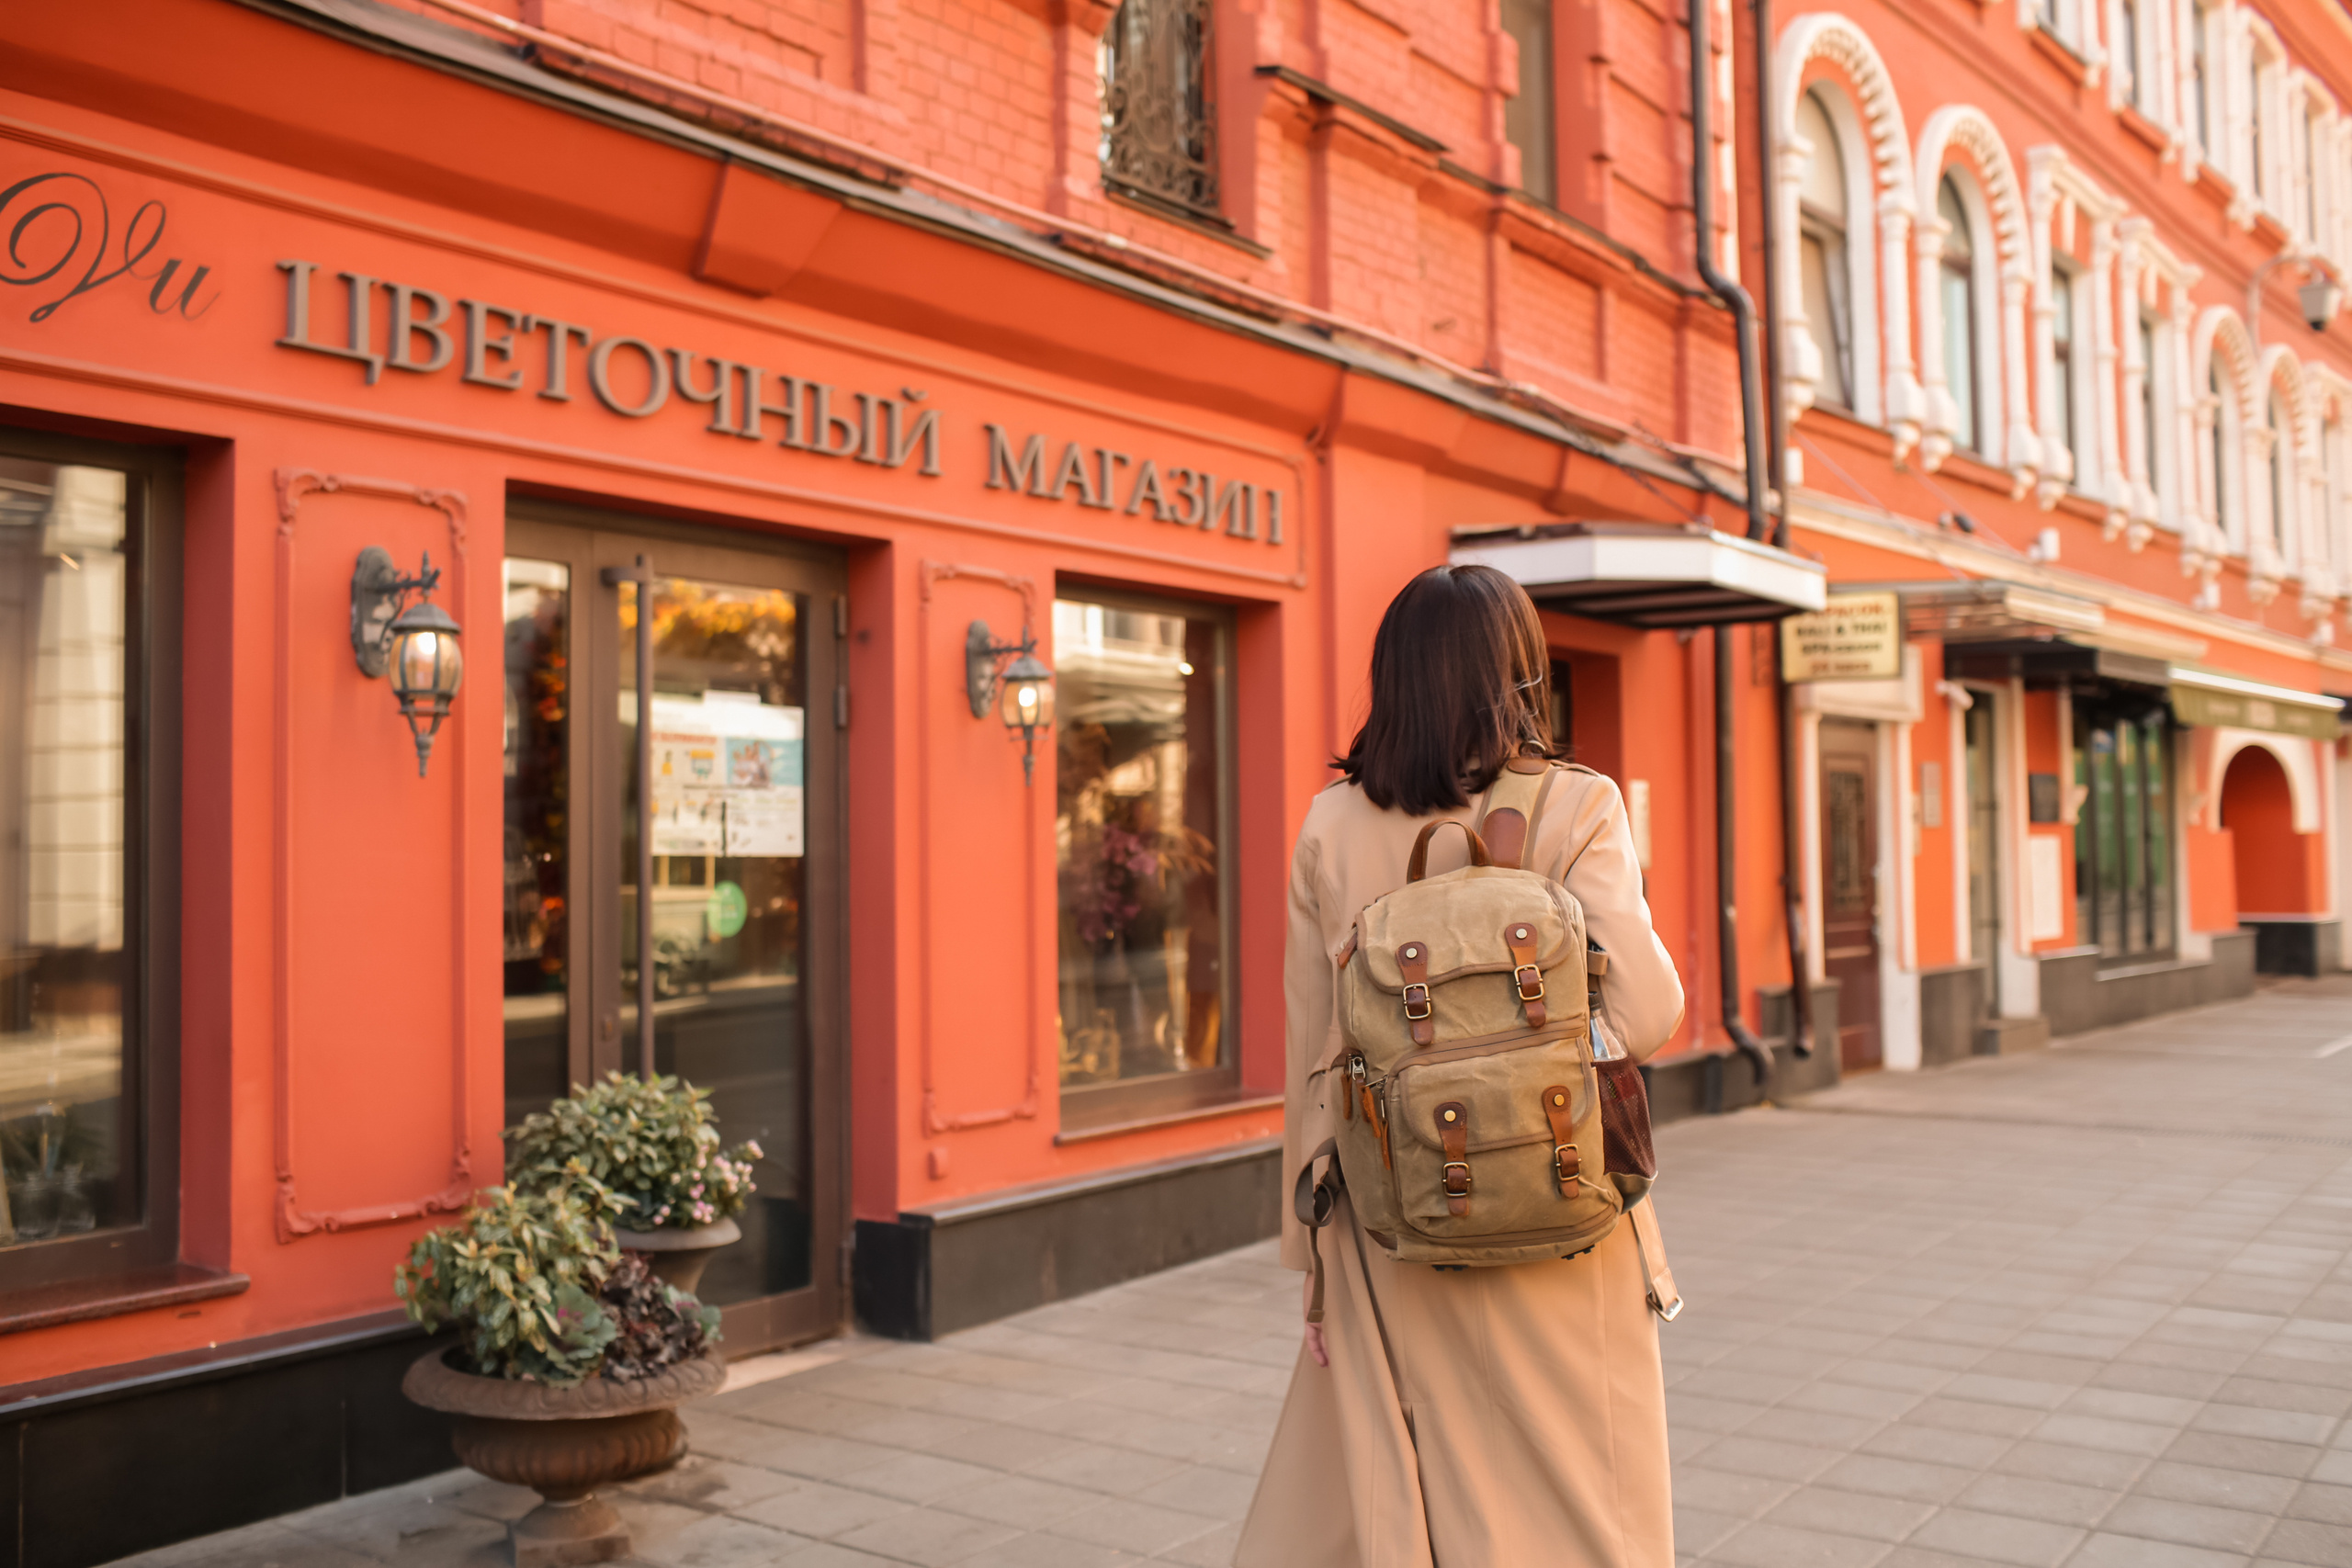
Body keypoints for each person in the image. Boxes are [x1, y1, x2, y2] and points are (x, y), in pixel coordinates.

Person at [1235, 564, 1685, 1568]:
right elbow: (1649, 1014)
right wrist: (1534, 1072)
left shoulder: (1330, 824)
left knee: (1413, 1495)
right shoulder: (1577, 806)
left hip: (1396, 1213)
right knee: (1582, 1503)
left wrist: (1309, 1264)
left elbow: (1313, 1057)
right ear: (1516, 671)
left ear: (1391, 678)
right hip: (1558, 1207)